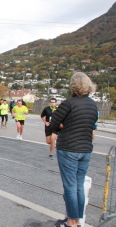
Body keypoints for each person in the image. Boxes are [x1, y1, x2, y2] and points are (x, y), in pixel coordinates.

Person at [51, 72, 97, 227]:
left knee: (70, 186)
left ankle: (71, 221)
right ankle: (77, 219)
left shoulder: (68, 103)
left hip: (69, 148)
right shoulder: (92, 104)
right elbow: (90, 123)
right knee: (78, 185)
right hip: (86, 150)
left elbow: (53, 123)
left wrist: (63, 125)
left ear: (73, 86)